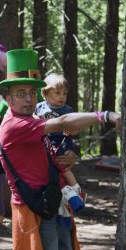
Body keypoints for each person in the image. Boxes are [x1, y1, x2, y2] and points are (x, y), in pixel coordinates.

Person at [0, 49, 121, 250]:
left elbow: (51, 151)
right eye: (21, 93)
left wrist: (69, 159)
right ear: (8, 98)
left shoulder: (32, 122)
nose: (28, 99)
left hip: (54, 204)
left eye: (31, 92)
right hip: (33, 213)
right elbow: (64, 123)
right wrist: (106, 115)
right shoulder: (16, 125)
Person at [35, 73, 86, 214]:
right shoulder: (39, 108)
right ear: (44, 93)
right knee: (51, 170)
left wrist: (72, 129)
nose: (62, 97)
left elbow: (75, 128)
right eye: (57, 93)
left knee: (64, 168)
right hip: (44, 145)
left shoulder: (67, 110)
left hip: (61, 144)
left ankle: (76, 189)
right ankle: (65, 194)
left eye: (64, 93)